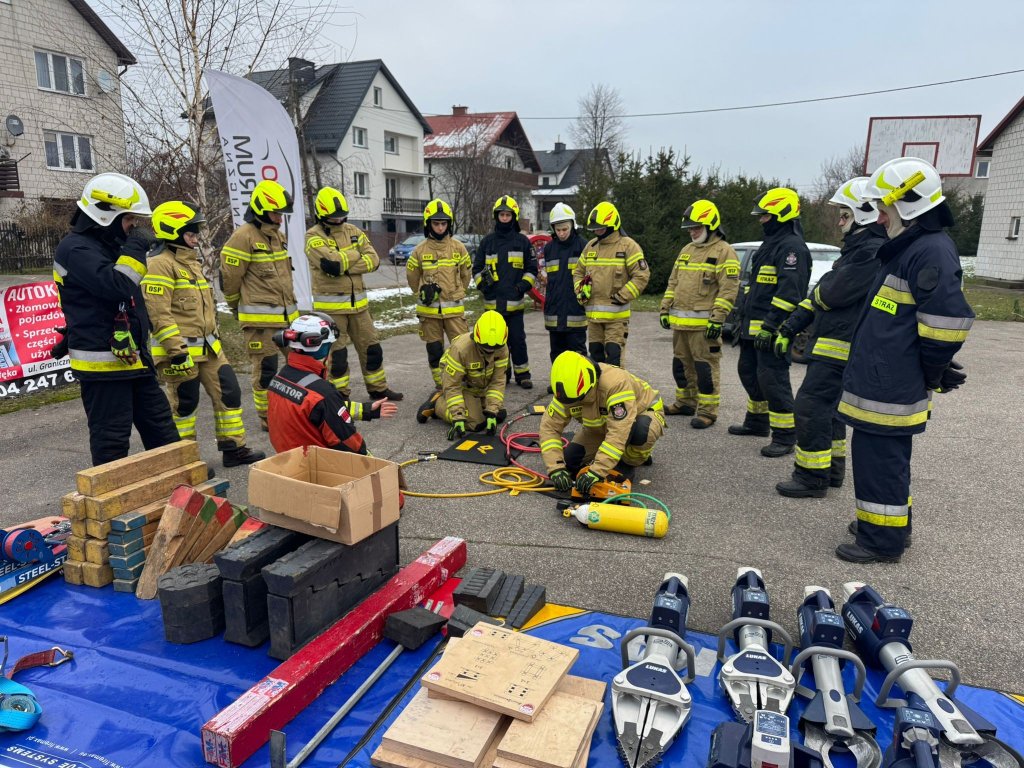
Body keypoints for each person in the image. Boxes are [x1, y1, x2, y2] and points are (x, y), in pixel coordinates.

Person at [835, 157, 973, 563]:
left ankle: (881, 542)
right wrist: (934, 367)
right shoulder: (913, 247)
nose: (879, 218)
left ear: (906, 204)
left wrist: (934, 369)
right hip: (886, 380)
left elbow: (947, 323)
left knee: (881, 462)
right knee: (882, 461)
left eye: (884, 208)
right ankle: (885, 527)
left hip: (891, 385)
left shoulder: (929, 251)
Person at [52, 172, 179, 466]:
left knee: (162, 430)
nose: (133, 226)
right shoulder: (76, 249)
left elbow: (115, 302)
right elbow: (116, 286)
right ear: (104, 215)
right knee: (112, 441)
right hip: (104, 368)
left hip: (133, 359)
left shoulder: (105, 246)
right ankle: (111, 506)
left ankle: (181, 485)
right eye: (128, 219)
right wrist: (135, 248)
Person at [773, 178, 885, 498]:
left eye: (845, 214)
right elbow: (822, 295)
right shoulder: (858, 250)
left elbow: (831, 292)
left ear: (864, 213)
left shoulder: (869, 251)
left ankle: (811, 477)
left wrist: (820, 294)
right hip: (834, 341)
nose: (839, 221)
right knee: (830, 411)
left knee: (810, 406)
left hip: (839, 345)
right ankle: (831, 470)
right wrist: (792, 325)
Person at [142, 201, 265, 467]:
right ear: (173, 231)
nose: (196, 239)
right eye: (191, 233)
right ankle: (183, 462)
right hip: (179, 353)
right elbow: (158, 313)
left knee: (229, 391)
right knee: (185, 405)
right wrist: (176, 351)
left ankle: (233, 448)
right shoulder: (158, 265)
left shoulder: (191, 262)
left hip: (209, 347)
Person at [729, 187, 811, 456]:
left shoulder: (792, 248)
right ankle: (756, 422)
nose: (761, 220)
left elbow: (790, 294)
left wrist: (771, 326)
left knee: (773, 381)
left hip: (772, 330)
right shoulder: (770, 244)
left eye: (765, 216)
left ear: (781, 214)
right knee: (750, 374)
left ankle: (786, 436)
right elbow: (757, 288)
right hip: (753, 329)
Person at [305, 186, 403, 401]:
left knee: (372, 349)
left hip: (360, 307)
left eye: (341, 217)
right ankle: (339, 395)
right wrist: (353, 256)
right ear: (322, 215)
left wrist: (343, 262)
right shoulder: (313, 236)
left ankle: (378, 389)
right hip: (332, 311)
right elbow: (330, 264)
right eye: (334, 218)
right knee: (337, 357)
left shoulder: (354, 231)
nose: (339, 221)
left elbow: (374, 260)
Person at [220, 179, 299, 431]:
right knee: (266, 370)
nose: (280, 218)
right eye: (276, 213)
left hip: (287, 319)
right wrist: (237, 309)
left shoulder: (278, 236)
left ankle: (293, 409)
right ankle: (267, 417)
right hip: (260, 324)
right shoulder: (242, 237)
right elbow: (230, 281)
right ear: (262, 210)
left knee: (298, 364)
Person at [659, 200, 741, 428]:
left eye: (697, 228)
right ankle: (685, 402)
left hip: (705, 327)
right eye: (690, 229)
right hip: (680, 325)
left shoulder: (725, 252)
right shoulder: (687, 250)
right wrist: (665, 308)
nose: (692, 232)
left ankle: (707, 412)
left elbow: (728, 288)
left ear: (711, 225)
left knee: (705, 369)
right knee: (681, 366)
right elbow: (673, 282)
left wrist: (718, 318)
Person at [266, 313, 397, 454]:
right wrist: (369, 460)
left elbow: (319, 410)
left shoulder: (280, 379)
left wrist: (366, 410)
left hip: (287, 460)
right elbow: (348, 442)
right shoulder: (322, 393)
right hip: (317, 465)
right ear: (323, 347)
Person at [539, 351, 665, 495]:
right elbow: (549, 428)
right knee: (571, 460)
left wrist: (596, 472)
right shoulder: (568, 390)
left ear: (590, 383)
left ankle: (631, 460)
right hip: (601, 426)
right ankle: (619, 455)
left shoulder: (616, 383)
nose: (574, 403)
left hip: (642, 413)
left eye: (579, 399)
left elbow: (619, 432)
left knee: (641, 433)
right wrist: (556, 468)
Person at [573, 201, 649, 366]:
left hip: (616, 317)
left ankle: (616, 390)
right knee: (596, 356)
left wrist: (624, 295)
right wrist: (580, 290)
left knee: (614, 356)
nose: (597, 231)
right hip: (594, 317)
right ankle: (600, 391)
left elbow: (641, 275)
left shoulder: (628, 246)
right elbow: (578, 272)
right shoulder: (591, 247)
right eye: (595, 229)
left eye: (600, 227)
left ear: (612, 224)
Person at [406, 199, 473, 388]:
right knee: (434, 350)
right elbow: (412, 277)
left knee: (461, 348)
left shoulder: (458, 248)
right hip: (429, 313)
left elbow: (466, 274)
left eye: (444, 223)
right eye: (436, 223)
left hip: (453, 311)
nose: (440, 227)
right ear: (429, 224)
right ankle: (441, 384)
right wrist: (421, 290)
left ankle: (463, 382)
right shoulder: (419, 251)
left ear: (449, 224)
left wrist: (457, 291)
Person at [473, 195, 537, 388]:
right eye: (501, 214)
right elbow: (476, 269)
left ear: (514, 216)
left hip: (515, 305)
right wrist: (483, 286)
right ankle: (501, 375)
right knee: (495, 343)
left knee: (517, 340)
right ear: (496, 216)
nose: (504, 218)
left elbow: (532, 270)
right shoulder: (487, 243)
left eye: (508, 214)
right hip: (492, 306)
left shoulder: (523, 242)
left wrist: (522, 286)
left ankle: (523, 374)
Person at [418, 310, 509, 440]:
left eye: (494, 349)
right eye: (484, 347)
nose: (490, 351)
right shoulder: (461, 349)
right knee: (475, 424)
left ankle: (478, 402)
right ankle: (437, 403)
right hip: (460, 385)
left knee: (498, 415)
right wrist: (458, 416)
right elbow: (453, 385)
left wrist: (492, 410)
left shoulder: (502, 347)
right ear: (476, 338)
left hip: (480, 384)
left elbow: (498, 380)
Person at [541, 203, 588, 368]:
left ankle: (580, 386)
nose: (561, 233)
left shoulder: (583, 246)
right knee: (556, 353)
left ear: (572, 225)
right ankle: (558, 383)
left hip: (575, 311)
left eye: (565, 229)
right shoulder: (549, 249)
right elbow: (545, 276)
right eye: (557, 229)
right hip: (554, 312)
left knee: (578, 354)